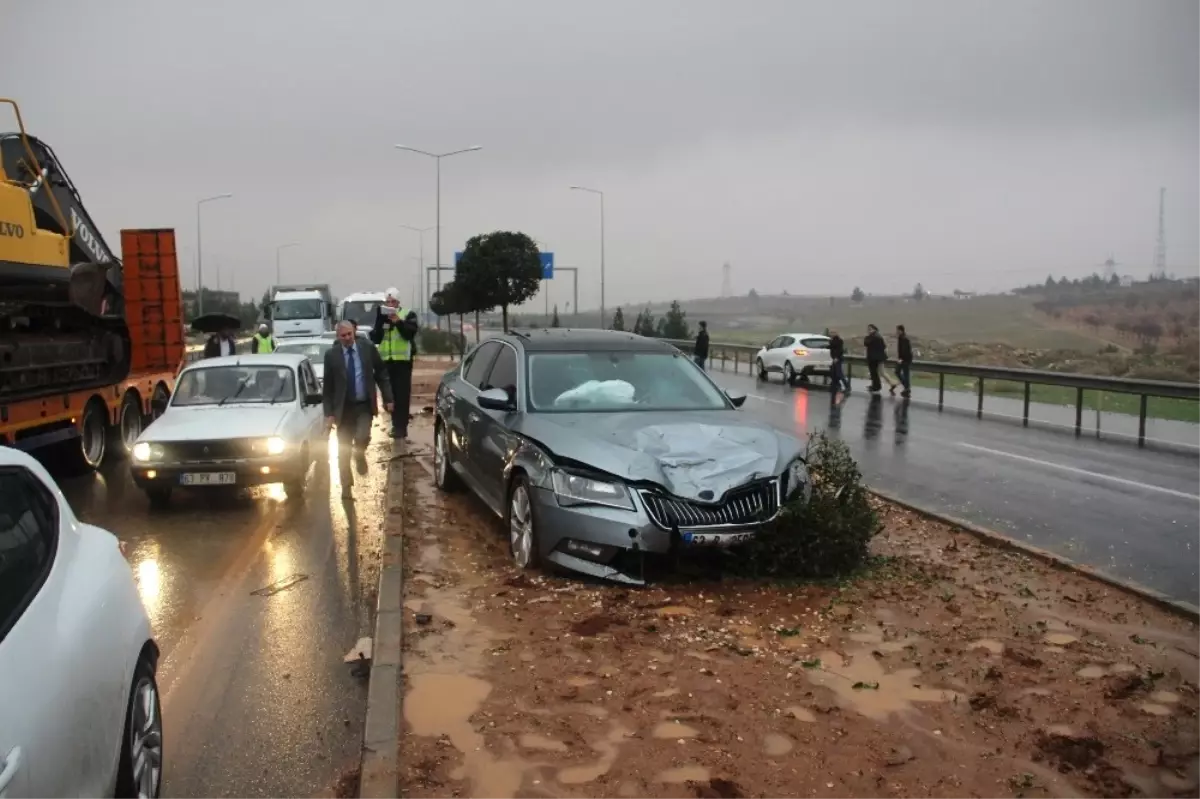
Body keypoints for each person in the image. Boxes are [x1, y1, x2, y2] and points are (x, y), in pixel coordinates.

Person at [323, 321, 394, 499]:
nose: (347, 338)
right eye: (343, 336)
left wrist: (388, 398)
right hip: (343, 410)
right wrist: (329, 414)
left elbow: (381, 373)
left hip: (363, 406)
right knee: (343, 450)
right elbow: (328, 388)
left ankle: (360, 453)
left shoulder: (367, 348)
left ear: (353, 333)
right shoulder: (332, 355)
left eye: (349, 334)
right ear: (338, 337)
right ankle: (346, 487)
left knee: (362, 436)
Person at [370, 287, 419, 440]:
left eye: (393, 302)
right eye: (388, 302)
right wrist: (380, 321)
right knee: (389, 396)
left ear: (398, 302)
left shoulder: (408, 314)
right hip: (386, 362)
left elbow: (409, 333)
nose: (390, 304)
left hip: (402, 362)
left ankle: (401, 427)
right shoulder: (383, 318)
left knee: (402, 395)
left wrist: (398, 321)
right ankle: (394, 424)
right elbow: (376, 338)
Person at [864, 324, 888, 393]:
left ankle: (876, 386)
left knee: (874, 372)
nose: (868, 330)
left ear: (874, 329)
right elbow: (884, 346)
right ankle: (875, 385)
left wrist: (868, 336)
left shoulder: (874, 336)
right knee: (874, 373)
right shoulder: (878, 336)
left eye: (870, 329)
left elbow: (866, 342)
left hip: (874, 358)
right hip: (876, 357)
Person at [828, 329, 851, 393]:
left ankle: (847, 387)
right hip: (834, 358)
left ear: (836, 333)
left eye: (833, 332)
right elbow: (830, 347)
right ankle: (836, 385)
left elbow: (840, 350)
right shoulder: (832, 340)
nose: (831, 334)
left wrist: (836, 358)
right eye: (831, 332)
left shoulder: (838, 340)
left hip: (837, 358)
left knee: (839, 373)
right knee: (833, 373)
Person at [894, 324, 913, 398]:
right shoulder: (900, 338)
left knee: (905, 374)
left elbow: (905, 350)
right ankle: (907, 387)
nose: (897, 332)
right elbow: (900, 350)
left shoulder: (905, 339)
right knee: (898, 372)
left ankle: (907, 388)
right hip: (902, 359)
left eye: (898, 330)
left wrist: (901, 359)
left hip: (906, 359)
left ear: (901, 330)